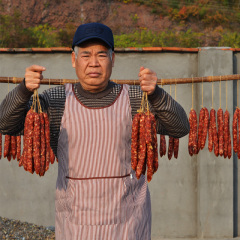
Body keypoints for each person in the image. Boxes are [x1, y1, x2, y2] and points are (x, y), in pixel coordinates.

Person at [0, 22, 189, 240]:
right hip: (76, 223)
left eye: (101, 55)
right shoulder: (56, 100)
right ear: (73, 60)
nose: (93, 63)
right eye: (85, 55)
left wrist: (156, 93)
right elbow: (6, 124)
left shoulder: (136, 99)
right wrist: (23, 89)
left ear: (113, 59)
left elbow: (180, 127)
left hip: (127, 223)